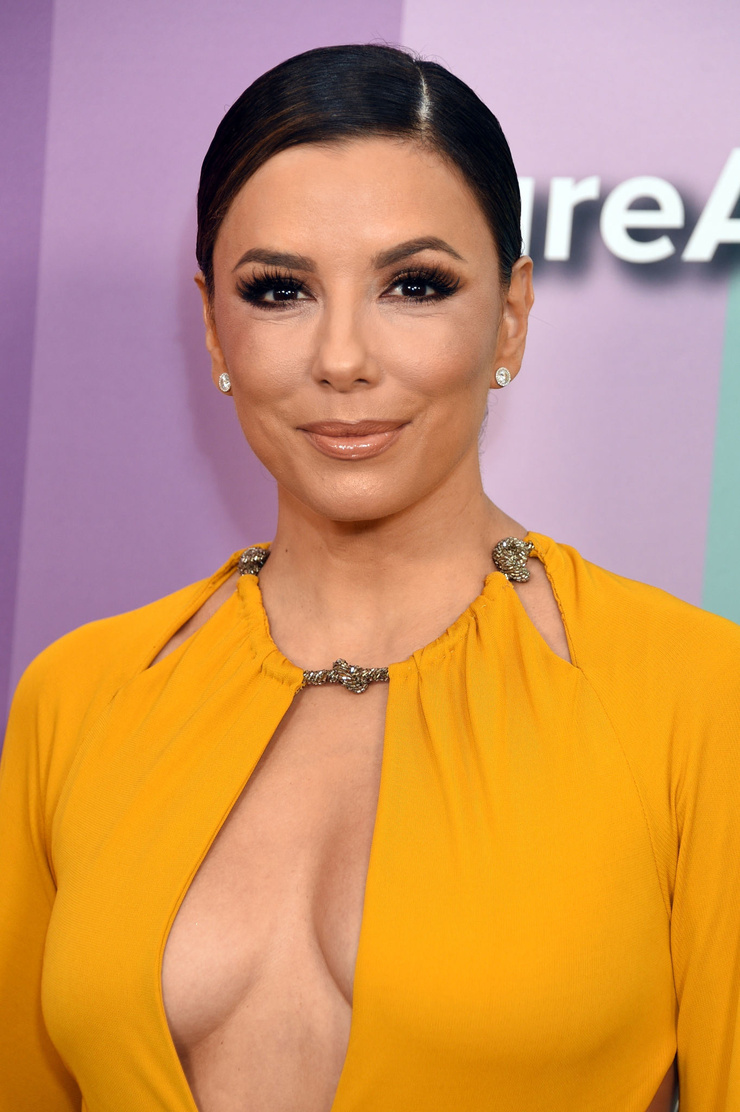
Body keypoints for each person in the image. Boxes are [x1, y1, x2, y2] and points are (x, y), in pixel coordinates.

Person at [0, 40, 738, 1112]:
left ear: (511, 316)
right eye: (279, 290)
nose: (342, 357)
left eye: (413, 285)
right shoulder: (80, 694)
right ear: (213, 327)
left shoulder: (693, 693)